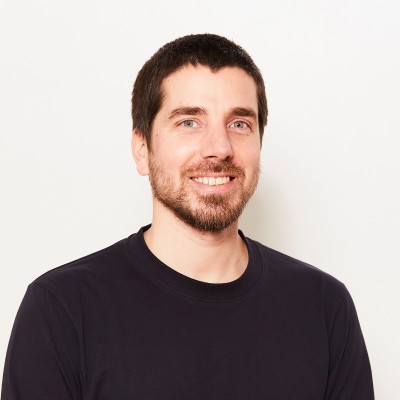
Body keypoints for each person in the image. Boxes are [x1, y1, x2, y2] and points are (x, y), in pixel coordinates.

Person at [1, 34, 374, 399]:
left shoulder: (323, 307)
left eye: (239, 123)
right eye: (189, 122)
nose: (219, 148)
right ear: (142, 149)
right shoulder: (62, 308)